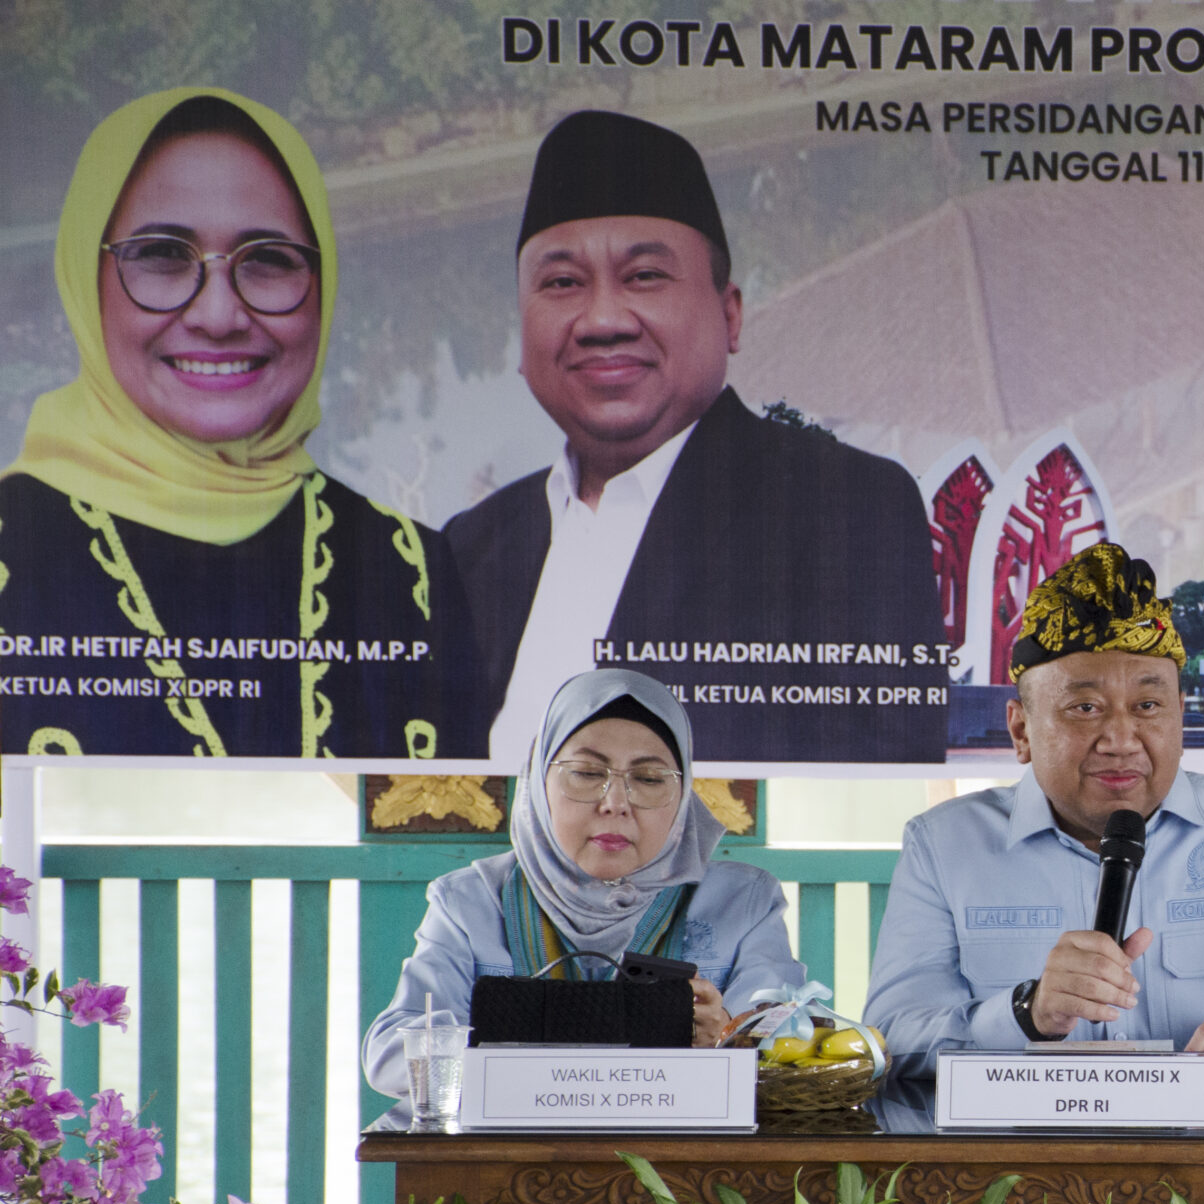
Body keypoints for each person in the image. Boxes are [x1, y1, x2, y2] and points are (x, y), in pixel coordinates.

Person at [446, 109, 946, 768]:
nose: (601, 320)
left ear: (730, 314)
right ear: (521, 330)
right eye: (562, 283)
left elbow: (884, 778)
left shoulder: (843, 509)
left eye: (644, 276)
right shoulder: (469, 547)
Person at [0, 87, 482, 760]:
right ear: (86, 275)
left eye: (268, 259)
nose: (220, 315)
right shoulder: (12, 547)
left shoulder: (409, 571)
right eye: (164, 255)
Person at [866, 542, 1204, 1085]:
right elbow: (892, 1045)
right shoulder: (945, 846)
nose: (1120, 740)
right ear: (1021, 730)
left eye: (1148, 706)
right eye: (1084, 708)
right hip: (1023, 1161)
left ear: (1181, 716)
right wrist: (1025, 1015)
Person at [365, 669, 804, 1098]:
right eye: (587, 773)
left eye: (649, 779)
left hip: (684, 1164)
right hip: (505, 1163)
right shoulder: (471, 901)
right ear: (540, 780)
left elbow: (794, 1048)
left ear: (684, 791)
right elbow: (389, 1058)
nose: (615, 803)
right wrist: (532, 1046)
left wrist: (729, 1040)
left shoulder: (742, 902)